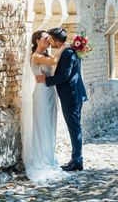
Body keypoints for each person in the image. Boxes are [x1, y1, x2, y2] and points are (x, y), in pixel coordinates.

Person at [35, 27, 88, 171]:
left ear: (56, 41)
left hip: (71, 96)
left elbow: (64, 76)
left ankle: (77, 161)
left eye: (50, 38)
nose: (49, 41)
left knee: (74, 127)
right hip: (73, 95)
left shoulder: (68, 53)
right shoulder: (67, 51)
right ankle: (76, 159)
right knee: (75, 127)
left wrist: (46, 80)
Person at [25, 30, 68, 182]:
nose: (48, 40)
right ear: (37, 40)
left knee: (50, 124)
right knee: (42, 124)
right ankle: (41, 159)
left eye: (48, 38)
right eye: (45, 38)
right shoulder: (36, 56)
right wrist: (63, 46)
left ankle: (50, 157)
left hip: (51, 92)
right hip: (41, 92)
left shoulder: (47, 55)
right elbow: (54, 62)